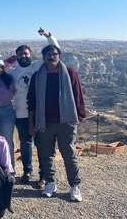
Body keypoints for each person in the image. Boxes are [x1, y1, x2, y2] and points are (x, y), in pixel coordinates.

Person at [27, 44, 86, 202]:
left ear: (59, 56)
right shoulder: (37, 76)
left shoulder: (70, 73)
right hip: (44, 122)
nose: (51, 57)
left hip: (66, 122)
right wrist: (32, 124)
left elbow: (78, 95)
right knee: (47, 155)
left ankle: (74, 186)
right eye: (48, 55)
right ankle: (50, 182)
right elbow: (31, 101)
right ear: (43, 58)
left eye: (54, 54)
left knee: (69, 155)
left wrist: (78, 117)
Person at [9, 28, 59, 186]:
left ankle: (43, 175)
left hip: (39, 113)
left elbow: (55, 50)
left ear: (31, 55)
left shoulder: (38, 66)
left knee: (41, 144)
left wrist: (48, 36)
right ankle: (27, 171)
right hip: (20, 114)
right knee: (25, 145)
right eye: (20, 54)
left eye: (26, 53)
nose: (23, 56)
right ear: (16, 57)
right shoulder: (13, 72)